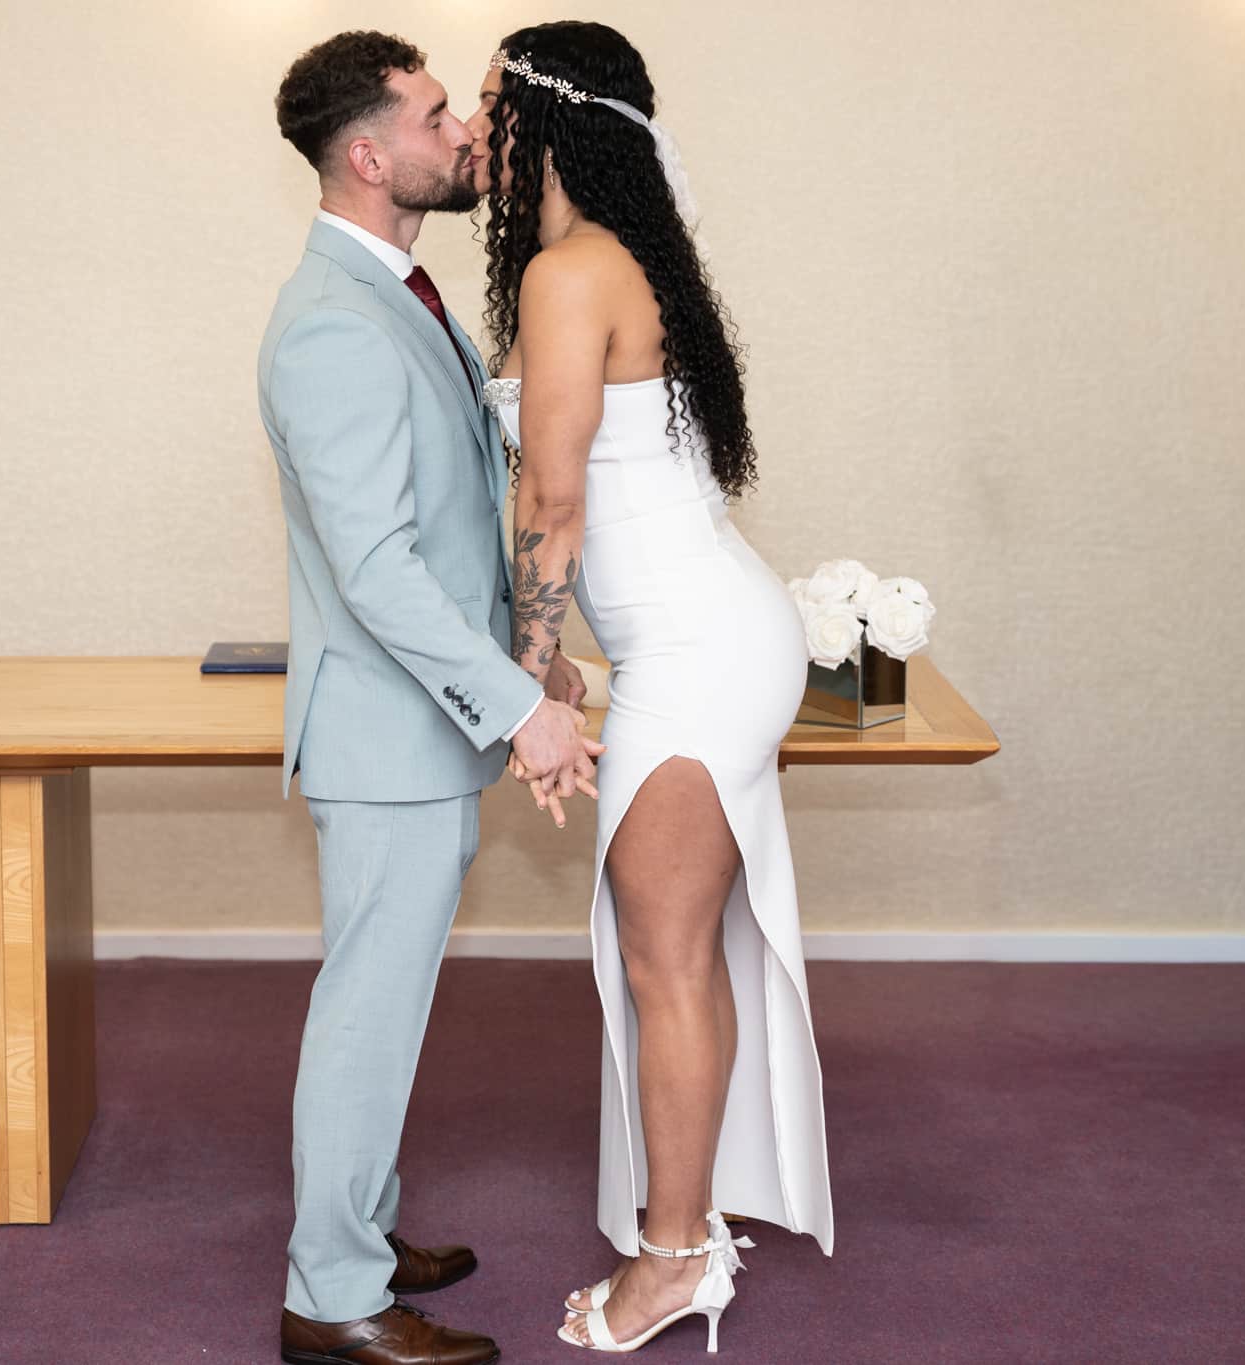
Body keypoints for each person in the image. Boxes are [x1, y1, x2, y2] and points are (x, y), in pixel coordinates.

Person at [467, 21, 836, 1354]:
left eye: (493, 105)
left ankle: (675, 1259)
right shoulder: (618, 260)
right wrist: (567, 657)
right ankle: (691, 1224)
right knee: (680, 954)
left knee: (663, 959)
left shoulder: (572, 271)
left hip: (696, 653)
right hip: (695, 636)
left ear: (546, 121)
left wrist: (529, 686)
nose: (477, 130)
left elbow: (555, 496)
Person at [259, 30, 606, 1365]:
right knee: (366, 1013)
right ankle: (332, 1296)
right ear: (368, 155)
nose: (463, 131)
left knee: (386, 1007)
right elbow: (378, 569)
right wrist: (518, 707)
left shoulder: (395, 290)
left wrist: (531, 651)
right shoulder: (334, 325)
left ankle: (356, 1226)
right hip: (385, 734)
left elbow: (451, 515)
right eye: (435, 112)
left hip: (418, 726)